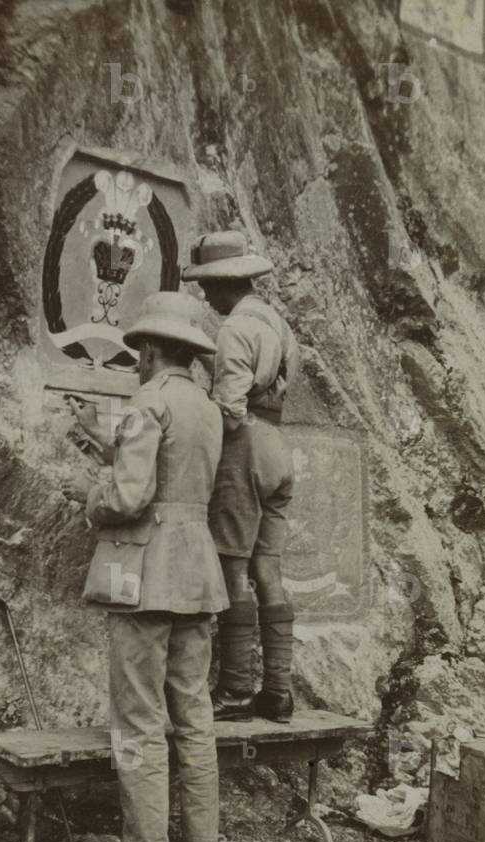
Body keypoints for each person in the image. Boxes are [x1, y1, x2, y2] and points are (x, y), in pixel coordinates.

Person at [63, 291, 228, 842]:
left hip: (144, 577)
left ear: (153, 350)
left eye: (139, 351)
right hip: (197, 573)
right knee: (193, 713)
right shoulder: (207, 408)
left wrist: (92, 496)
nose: (137, 360)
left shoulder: (147, 403)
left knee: (137, 719)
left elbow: (130, 497)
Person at [182, 230, 300, 724]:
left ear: (227, 280)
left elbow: (229, 412)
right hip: (277, 446)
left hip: (245, 448)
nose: (206, 294)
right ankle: (278, 691)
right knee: (268, 571)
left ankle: (233, 691)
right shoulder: (278, 324)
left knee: (233, 569)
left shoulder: (234, 330)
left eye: (209, 283)